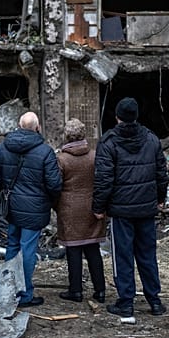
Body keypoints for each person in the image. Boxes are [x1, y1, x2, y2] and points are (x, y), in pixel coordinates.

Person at [93, 97, 169, 320]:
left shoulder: (108, 143)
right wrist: (160, 198)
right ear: (136, 116)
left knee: (122, 257)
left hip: (121, 211)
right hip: (146, 209)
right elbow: (161, 173)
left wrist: (99, 207)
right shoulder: (151, 139)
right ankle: (154, 301)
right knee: (147, 255)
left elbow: (103, 179)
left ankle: (126, 303)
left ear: (117, 117)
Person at [0, 111, 62, 307]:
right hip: (35, 207)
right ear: (37, 127)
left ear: (19, 126)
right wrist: (48, 199)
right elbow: (54, 184)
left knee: (12, 245)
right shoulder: (45, 151)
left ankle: (9, 290)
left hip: (12, 205)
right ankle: (25, 294)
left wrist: (6, 188)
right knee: (28, 249)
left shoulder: (3, 147)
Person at [55, 118, 107, 304]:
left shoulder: (61, 159)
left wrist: (56, 204)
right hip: (92, 206)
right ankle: (100, 290)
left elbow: (56, 185)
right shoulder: (95, 156)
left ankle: (75, 290)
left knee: (73, 249)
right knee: (93, 248)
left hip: (69, 208)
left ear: (66, 136)